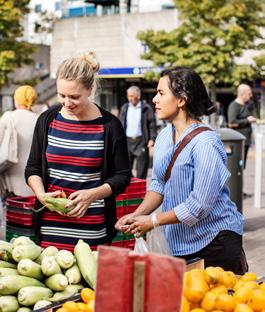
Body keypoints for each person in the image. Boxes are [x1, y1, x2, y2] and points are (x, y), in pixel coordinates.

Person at [116, 67, 244, 274]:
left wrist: (153, 220)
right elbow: (158, 184)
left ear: (182, 100)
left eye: (161, 93)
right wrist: (138, 214)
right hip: (178, 242)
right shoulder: (165, 136)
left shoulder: (205, 143)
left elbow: (199, 205)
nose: (155, 100)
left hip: (214, 241)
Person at [25, 52, 131, 250]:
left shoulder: (110, 125)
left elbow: (123, 176)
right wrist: (41, 195)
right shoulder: (47, 120)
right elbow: (32, 168)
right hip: (50, 230)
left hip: (92, 230)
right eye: (61, 95)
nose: (66, 102)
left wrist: (93, 194)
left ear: (90, 89)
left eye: (74, 97)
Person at [0, 85, 38, 197]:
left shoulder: (8, 117)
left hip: (10, 176)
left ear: (16, 100)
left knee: (12, 210)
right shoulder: (39, 119)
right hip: (33, 179)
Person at [119, 86, 157, 179]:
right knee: (125, 169)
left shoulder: (146, 108)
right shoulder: (125, 107)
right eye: (128, 96)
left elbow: (152, 124)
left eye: (132, 96)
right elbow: (120, 123)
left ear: (138, 96)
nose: (130, 99)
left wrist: (152, 138)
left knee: (141, 170)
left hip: (141, 141)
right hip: (127, 141)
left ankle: (140, 191)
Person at [228, 84, 256, 169]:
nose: (251, 96)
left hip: (245, 141)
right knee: (237, 167)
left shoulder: (245, 105)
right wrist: (247, 120)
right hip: (238, 142)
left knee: (242, 166)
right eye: (249, 93)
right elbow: (231, 123)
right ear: (243, 94)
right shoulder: (234, 106)